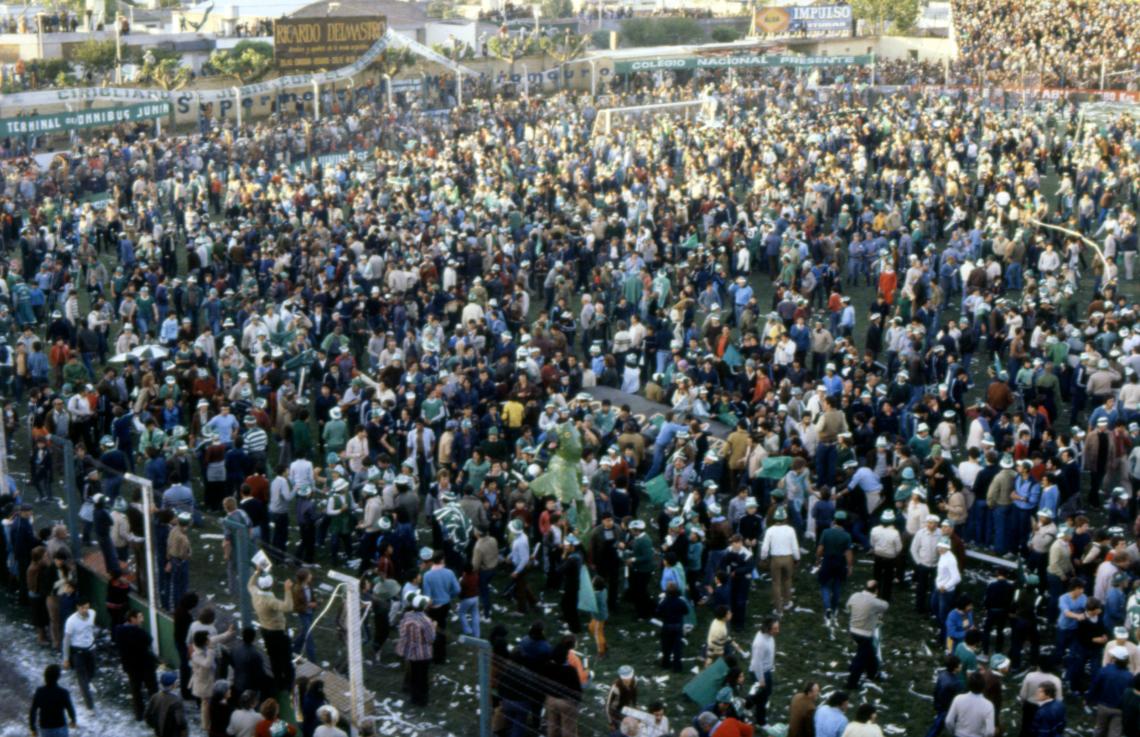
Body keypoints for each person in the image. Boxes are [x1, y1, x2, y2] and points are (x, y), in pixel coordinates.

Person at [248, 571, 295, 691]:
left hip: (265, 629)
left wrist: (257, 572)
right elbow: (288, 607)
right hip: (277, 631)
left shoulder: (255, 594)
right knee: (285, 658)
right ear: (271, 585)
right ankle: (289, 684)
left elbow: (250, 585)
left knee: (273, 657)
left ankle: (279, 682)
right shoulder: (270, 601)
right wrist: (287, 590)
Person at [114, 608, 159, 721]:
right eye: (139, 617)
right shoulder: (139, 633)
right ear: (132, 619)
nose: (142, 620)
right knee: (152, 689)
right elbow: (148, 640)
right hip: (145, 665)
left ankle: (139, 714)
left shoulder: (119, 631)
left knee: (136, 690)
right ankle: (155, 713)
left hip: (130, 666)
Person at [845, 580, 889, 690]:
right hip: (865, 633)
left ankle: (872, 673)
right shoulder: (874, 602)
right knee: (862, 658)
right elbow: (885, 605)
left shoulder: (854, 595)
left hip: (853, 630)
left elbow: (848, 607)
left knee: (869, 653)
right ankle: (852, 683)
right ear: (876, 590)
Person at [396, 594, 436, 706]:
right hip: (423, 654)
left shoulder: (407, 616)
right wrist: (434, 627)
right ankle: (422, 701)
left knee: (413, 676)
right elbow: (431, 639)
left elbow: (402, 632)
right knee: (422, 677)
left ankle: (414, 698)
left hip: (410, 651)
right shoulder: (426, 621)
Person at [1089, 645, 1132, 736]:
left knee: (1100, 729)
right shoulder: (1129, 676)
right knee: (1115, 733)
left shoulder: (1104, 671)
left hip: (1103, 706)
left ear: (1114, 659)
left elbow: (1094, 686)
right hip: (1120, 710)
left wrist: (1089, 699)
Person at [62, 598, 96, 710]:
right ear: (77, 607)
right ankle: (89, 706)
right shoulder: (71, 621)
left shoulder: (92, 613)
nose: (85, 610)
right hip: (78, 652)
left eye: (87, 607)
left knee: (92, 671)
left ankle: (87, 682)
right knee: (82, 679)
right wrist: (66, 658)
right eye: (83, 608)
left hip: (90, 649)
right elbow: (66, 640)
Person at [29, 664, 77, 737]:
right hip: (60, 727)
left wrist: (33, 728)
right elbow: (70, 708)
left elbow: (33, 710)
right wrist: (73, 720)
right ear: (58, 677)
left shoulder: (40, 692)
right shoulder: (63, 692)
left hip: (45, 728)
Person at [944, 672, 996, 737]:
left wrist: (953, 732)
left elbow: (948, 721)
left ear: (968, 685)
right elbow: (990, 732)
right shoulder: (988, 705)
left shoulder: (958, 699)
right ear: (983, 686)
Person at [748, 616, 779, 725]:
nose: (777, 631)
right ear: (768, 629)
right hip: (759, 673)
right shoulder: (760, 644)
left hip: (767, 670)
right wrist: (761, 679)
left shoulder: (769, 636)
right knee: (762, 699)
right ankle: (761, 722)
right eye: (775, 628)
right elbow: (757, 663)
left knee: (767, 692)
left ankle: (748, 704)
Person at [928, 655, 962, 737]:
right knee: (937, 727)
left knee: (937, 725)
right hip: (947, 709)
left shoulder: (942, 675)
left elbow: (936, 691)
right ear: (955, 668)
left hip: (940, 705)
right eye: (960, 664)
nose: (961, 665)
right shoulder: (956, 683)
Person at [146, 671, 188, 737]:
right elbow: (181, 722)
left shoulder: (155, 697)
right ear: (173, 685)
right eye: (177, 681)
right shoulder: (176, 701)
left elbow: (148, 716)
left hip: (159, 732)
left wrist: (155, 726)